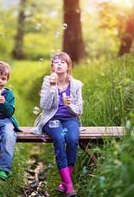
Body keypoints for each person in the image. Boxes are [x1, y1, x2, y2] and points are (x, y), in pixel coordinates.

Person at [33, 52, 83, 197]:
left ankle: (64, 182)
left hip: (70, 120)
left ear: (68, 66)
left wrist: (69, 106)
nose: (59, 64)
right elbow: (44, 105)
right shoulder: (47, 80)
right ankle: (69, 187)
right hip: (52, 120)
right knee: (60, 140)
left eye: (63, 62)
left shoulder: (76, 85)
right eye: (56, 62)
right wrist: (52, 87)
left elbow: (79, 110)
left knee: (73, 140)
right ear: (52, 67)